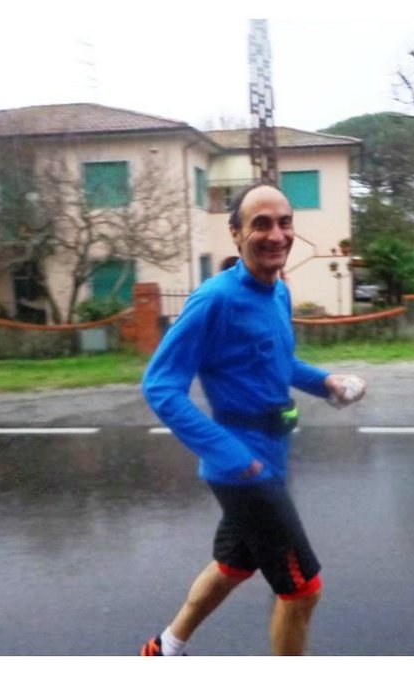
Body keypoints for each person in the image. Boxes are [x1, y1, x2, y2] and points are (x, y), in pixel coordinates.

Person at [139, 181, 365, 656]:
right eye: (261, 224)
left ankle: (164, 649)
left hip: (270, 459)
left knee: (234, 565)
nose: (276, 235)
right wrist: (230, 454)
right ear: (236, 233)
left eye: (285, 223)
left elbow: (278, 362)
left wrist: (326, 383)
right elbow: (160, 385)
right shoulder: (214, 300)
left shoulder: (278, 292)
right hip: (244, 473)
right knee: (302, 590)